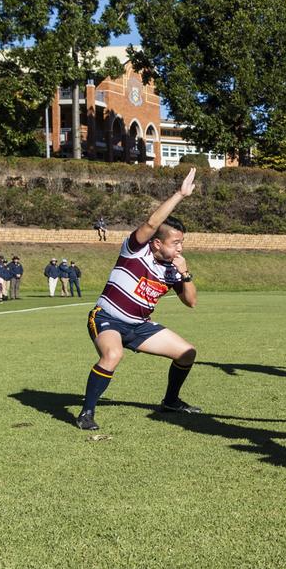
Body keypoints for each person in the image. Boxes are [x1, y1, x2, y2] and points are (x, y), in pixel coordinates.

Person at [76, 168, 203, 431]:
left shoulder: (173, 269)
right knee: (113, 354)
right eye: (175, 242)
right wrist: (180, 194)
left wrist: (185, 274)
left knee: (187, 353)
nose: (180, 247)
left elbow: (191, 302)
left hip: (139, 325)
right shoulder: (135, 251)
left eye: (182, 243)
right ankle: (86, 413)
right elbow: (151, 224)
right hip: (107, 318)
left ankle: (170, 402)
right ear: (157, 244)